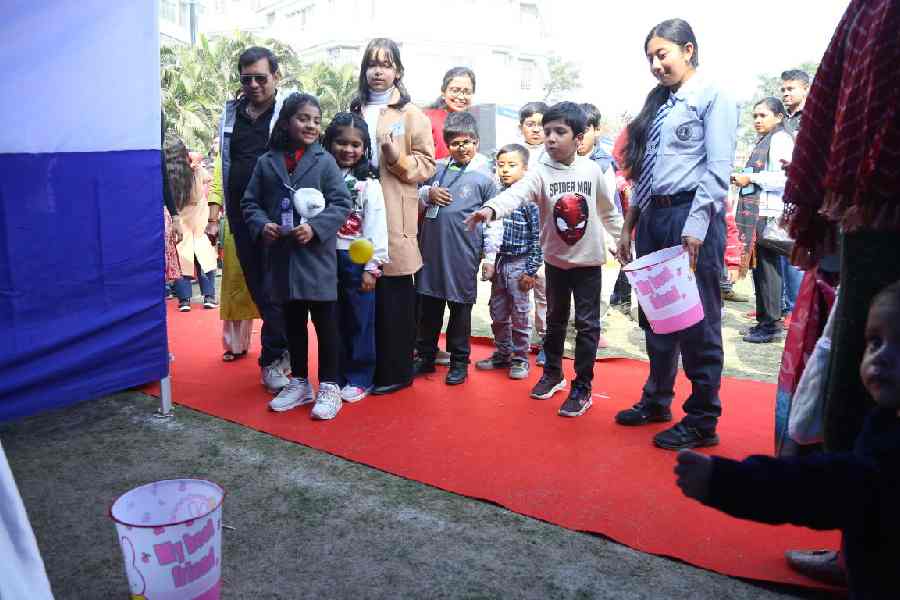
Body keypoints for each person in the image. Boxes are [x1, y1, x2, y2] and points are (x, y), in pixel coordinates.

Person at [675, 280, 900, 599]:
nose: (882, 357)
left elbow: (822, 488)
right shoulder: (885, 419)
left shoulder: (889, 454)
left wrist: (726, 481)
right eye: (875, 341)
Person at [780, 0, 900, 581]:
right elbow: (844, 103)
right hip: (874, 215)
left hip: (879, 213)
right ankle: (862, 547)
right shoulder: (870, 9)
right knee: (866, 373)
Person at [613, 19, 738, 449]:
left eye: (661, 54)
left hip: (692, 217)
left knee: (699, 322)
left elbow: (717, 168)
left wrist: (697, 226)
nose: (655, 64)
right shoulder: (658, 103)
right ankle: (657, 400)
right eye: (649, 56)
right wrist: (631, 224)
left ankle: (703, 419)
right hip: (653, 217)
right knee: (657, 317)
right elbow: (642, 172)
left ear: (688, 50)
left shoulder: (713, 96)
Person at [467, 102, 623, 417]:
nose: (550, 138)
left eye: (559, 132)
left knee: (588, 325)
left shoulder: (592, 171)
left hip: (589, 265)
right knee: (553, 322)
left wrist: (622, 241)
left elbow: (608, 211)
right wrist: (490, 209)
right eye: (547, 131)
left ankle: (583, 386)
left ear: (579, 139)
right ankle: (553, 374)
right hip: (555, 263)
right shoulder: (540, 172)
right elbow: (516, 193)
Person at [241, 93, 352, 420]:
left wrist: (316, 227)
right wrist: (263, 226)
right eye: (304, 118)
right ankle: (301, 382)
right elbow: (250, 203)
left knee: (326, 323)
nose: (311, 125)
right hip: (282, 258)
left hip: (316, 258)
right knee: (293, 323)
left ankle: (330, 385)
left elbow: (341, 203)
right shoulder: (267, 162)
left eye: (316, 121)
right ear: (287, 120)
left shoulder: (325, 161)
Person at [350, 38, 436, 396]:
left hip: (394, 212)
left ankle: (396, 372)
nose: (378, 71)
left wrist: (395, 158)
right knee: (360, 293)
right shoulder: (354, 108)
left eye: (385, 64)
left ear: (398, 71)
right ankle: (361, 370)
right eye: (372, 64)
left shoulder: (410, 113)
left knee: (395, 298)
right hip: (357, 211)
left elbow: (427, 165)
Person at [217, 46, 292, 392]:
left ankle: (274, 356)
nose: (254, 85)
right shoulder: (230, 113)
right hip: (239, 212)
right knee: (257, 287)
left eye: (261, 78)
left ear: (275, 77)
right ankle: (284, 347)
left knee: (275, 287)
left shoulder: (288, 110)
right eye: (246, 79)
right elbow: (227, 160)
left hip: (276, 212)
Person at [415, 111, 498, 385]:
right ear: (446, 144)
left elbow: (494, 220)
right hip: (430, 252)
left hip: (463, 254)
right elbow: (412, 197)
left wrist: (490, 257)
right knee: (429, 306)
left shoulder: (485, 177)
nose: (462, 147)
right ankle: (425, 356)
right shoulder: (435, 168)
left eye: (468, 141)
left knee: (460, 309)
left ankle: (459, 360)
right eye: (455, 142)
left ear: (476, 141)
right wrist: (428, 194)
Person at [322, 112, 388, 403]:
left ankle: (361, 377)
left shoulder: (368, 184)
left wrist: (372, 268)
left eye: (355, 145)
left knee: (359, 321)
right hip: (323, 259)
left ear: (364, 149)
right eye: (341, 142)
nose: (348, 150)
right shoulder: (320, 177)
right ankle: (332, 376)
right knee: (330, 321)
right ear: (329, 143)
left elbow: (376, 226)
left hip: (356, 260)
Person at [476, 144, 542, 380]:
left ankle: (520, 359)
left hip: (520, 263)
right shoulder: (496, 196)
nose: (505, 170)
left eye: (512, 165)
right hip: (500, 262)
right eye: (501, 165)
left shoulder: (530, 200)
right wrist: (489, 259)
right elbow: (489, 229)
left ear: (525, 169)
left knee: (520, 313)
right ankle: (503, 354)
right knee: (498, 311)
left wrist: (531, 271)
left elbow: (539, 238)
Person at [732, 97, 795, 343]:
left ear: (779, 117)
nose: (757, 120)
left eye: (763, 115)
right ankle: (764, 321)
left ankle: (771, 325)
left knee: (768, 271)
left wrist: (752, 179)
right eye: (755, 116)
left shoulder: (780, 139)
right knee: (761, 271)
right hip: (760, 212)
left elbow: (785, 178)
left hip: (769, 213)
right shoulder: (766, 139)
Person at [208, 154, 260, 361]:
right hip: (236, 219)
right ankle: (234, 344)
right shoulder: (227, 148)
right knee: (235, 282)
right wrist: (212, 220)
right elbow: (218, 185)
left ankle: (279, 350)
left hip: (269, 216)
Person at [579, 102, 621, 348]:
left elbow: (607, 207)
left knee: (603, 284)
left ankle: (594, 325)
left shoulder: (604, 164)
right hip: (572, 232)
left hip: (602, 231)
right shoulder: (559, 158)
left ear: (597, 130)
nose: (580, 137)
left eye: (586, 130)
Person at [517, 101, 549, 364]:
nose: (536, 130)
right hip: (519, 234)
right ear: (521, 127)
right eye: (530, 124)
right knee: (516, 290)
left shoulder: (554, 156)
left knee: (544, 290)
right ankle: (518, 343)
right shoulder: (513, 155)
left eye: (541, 124)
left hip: (547, 233)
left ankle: (548, 340)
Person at [173, 150, 219, 312]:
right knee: (184, 256)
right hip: (184, 217)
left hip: (199, 217)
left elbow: (212, 183)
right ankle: (186, 299)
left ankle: (206, 296)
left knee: (204, 256)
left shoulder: (197, 170)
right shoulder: (178, 172)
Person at [424, 66, 476, 160]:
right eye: (455, 91)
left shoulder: (470, 123)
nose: (461, 97)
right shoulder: (428, 118)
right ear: (443, 92)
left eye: (467, 92)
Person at [780, 68, 810, 137]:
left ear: (805, 89)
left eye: (790, 89)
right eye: (783, 90)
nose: (785, 94)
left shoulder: (813, 116)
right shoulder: (779, 119)